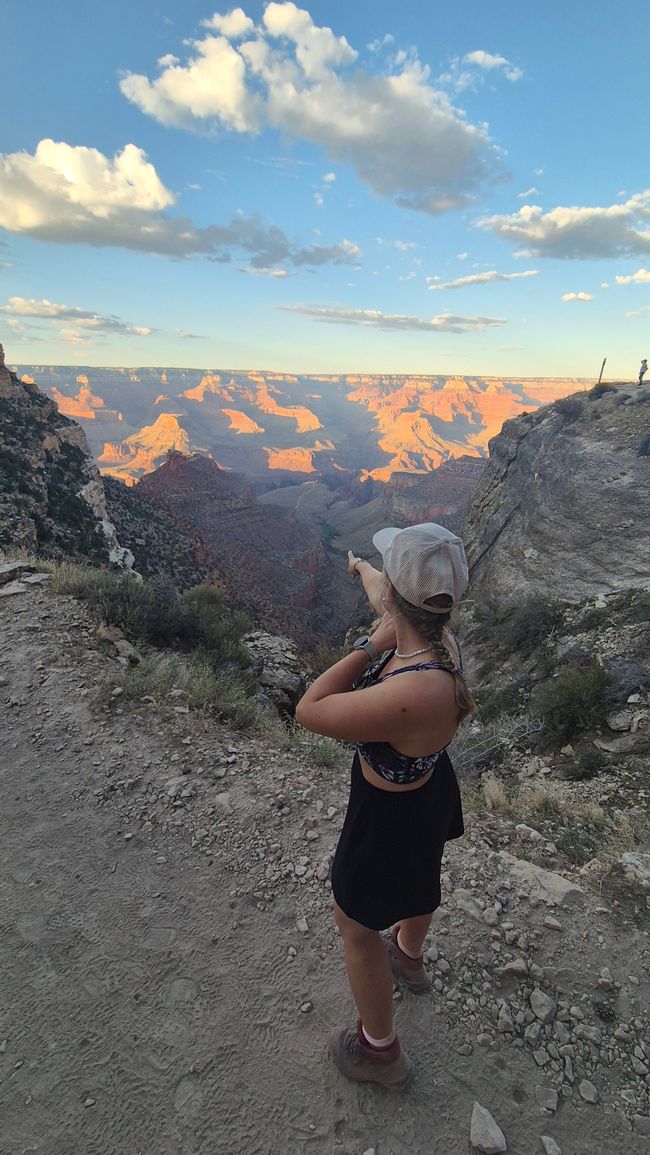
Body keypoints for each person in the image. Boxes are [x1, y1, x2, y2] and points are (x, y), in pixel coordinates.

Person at [295, 523, 474, 1090]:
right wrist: (360, 569)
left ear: (397, 601)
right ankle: (410, 956)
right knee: (421, 877)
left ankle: (380, 1051)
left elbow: (311, 709)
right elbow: (380, 587)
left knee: (354, 922)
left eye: (385, 583)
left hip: (388, 812)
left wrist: (370, 644)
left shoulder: (413, 688)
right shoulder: (437, 637)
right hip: (429, 787)